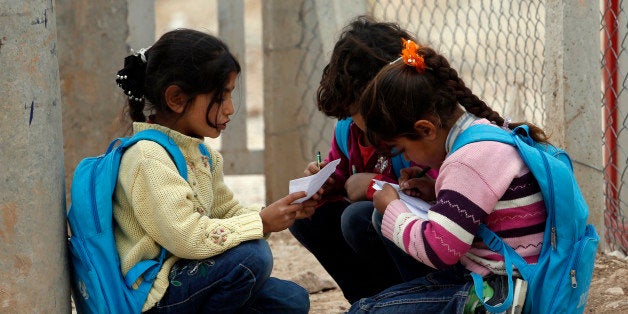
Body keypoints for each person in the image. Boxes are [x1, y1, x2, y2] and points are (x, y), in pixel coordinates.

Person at [113, 28, 316, 313]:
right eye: (221, 97)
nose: (230, 109)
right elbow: (188, 237)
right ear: (176, 98)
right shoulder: (148, 158)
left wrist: (278, 211)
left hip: (187, 278)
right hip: (155, 296)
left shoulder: (201, 154)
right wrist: (262, 223)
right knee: (252, 258)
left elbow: (225, 211)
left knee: (291, 300)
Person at [347, 38, 550, 313]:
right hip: (515, 277)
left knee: (364, 310)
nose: (407, 158)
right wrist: (435, 191)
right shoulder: (482, 135)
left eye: (404, 148)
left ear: (427, 130)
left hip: (504, 289)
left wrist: (393, 208)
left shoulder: (466, 161)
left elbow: (439, 250)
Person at [288, 16, 436, 303]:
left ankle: (412, 300)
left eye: (368, 113)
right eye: (355, 112)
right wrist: (326, 184)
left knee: (357, 217)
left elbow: (433, 198)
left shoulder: (414, 134)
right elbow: (342, 176)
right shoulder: (348, 131)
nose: (362, 124)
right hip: (375, 244)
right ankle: (366, 301)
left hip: (419, 248)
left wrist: (374, 186)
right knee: (305, 216)